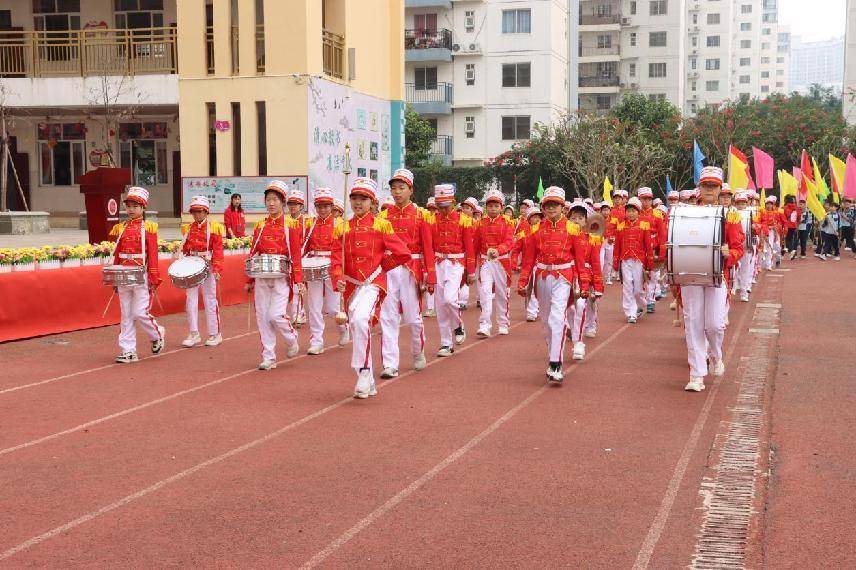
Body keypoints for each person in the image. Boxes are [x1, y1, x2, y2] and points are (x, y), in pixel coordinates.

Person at [331, 178, 412, 398]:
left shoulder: (381, 225)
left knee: (360, 321)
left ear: (372, 201)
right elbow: (336, 259)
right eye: (354, 198)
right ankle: (367, 378)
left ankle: (365, 373)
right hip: (351, 287)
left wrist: (384, 266)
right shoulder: (343, 228)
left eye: (363, 199)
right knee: (358, 326)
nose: (358, 202)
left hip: (373, 284)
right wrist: (337, 276)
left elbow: (403, 253)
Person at [517, 186, 590, 383]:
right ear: (543, 207)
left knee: (557, 317)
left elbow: (580, 260)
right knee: (546, 321)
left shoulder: (573, 229)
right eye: (548, 205)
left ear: (562, 207)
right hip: (542, 276)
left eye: (555, 205)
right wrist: (523, 281)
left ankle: (556, 363)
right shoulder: (535, 229)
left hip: (564, 276)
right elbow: (528, 260)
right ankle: (553, 354)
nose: (551, 208)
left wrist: (584, 283)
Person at [682, 166, 745, 393]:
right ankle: (696, 374)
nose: (709, 189)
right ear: (699, 188)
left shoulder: (731, 215)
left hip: (718, 274)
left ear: (720, 188)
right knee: (693, 324)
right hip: (690, 274)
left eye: (714, 186)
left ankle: (716, 355)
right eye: (705, 185)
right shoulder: (686, 213)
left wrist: (731, 253)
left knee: (714, 325)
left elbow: (739, 246)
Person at [378, 169, 436, 378]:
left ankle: (417, 350)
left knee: (412, 318)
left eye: (401, 188)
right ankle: (389, 363)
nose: (397, 192)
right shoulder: (383, 216)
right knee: (388, 317)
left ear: (411, 189)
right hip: (389, 268)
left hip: (412, 269)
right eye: (394, 188)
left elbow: (428, 248)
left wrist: (431, 276)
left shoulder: (422, 215)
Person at [246, 180, 305, 370]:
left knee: (276, 314)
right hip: (262, 276)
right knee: (263, 317)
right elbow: (253, 252)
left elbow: (296, 255)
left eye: (275, 200)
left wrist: (298, 280)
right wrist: (248, 279)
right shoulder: (260, 226)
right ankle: (269, 356)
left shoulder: (291, 225)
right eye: (268, 199)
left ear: (282, 202)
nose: (271, 203)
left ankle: (291, 338)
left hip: (281, 277)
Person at [108, 186, 165, 363]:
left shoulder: (149, 227)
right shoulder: (121, 228)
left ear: (143, 208)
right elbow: (117, 253)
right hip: (124, 274)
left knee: (140, 312)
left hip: (141, 274)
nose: (131, 210)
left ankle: (156, 334)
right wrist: (114, 276)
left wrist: (154, 277)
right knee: (126, 313)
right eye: (129, 206)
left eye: (135, 206)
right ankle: (128, 349)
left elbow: (153, 254)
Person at [431, 184, 477, 357]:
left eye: (446, 205)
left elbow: (469, 247)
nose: (443, 209)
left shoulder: (464, 220)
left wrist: (471, 271)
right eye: (439, 205)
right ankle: (445, 343)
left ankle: (458, 325)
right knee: (440, 304)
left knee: (450, 299)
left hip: (456, 262)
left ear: (453, 202)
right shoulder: (432, 219)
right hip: (437, 262)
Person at [304, 187, 350, 355]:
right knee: (314, 305)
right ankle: (316, 341)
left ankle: (344, 326)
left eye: (326, 206)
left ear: (331, 206)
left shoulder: (340, 224)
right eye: (319, 206)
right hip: (313, 265)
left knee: (332, 307)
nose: (322, 209)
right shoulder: (310, 223)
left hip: (333, 266)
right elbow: (305, 246)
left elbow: (345, 249)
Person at [180, 195, 225, 348]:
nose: (197, 215)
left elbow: (218, 250)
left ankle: (215, 333)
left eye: (199, 211)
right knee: (190, 298)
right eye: (194, 212)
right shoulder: (188, 228)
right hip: (192, 265)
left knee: (209, 298)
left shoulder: (215, 227)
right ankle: (194, 333)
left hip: (207, 266)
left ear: (206, 212)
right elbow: (185, 248)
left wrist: (217, 268)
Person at [474, 189, 515, 338]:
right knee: (485, 292)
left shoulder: (507, 223)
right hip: (485, 262)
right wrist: (471, 266)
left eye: (496, 206)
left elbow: (510, 242)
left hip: (502, 262)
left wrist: (499, 250)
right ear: (486, 207)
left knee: (502, 294)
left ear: (501, 207)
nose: (493, 208)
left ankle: (503, 323)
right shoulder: (480, 223)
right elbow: (476, 245)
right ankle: (485, 324)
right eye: (490, 206)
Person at [566, 201, 604, 360]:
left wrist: (598, 286)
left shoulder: (592, 239)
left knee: (583, 305)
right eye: (573, 218)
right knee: (568, 308)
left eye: (580, 218)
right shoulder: (564, 237)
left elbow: (595, 264)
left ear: (587, 221)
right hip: (567, 276)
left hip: (585, 278)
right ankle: (571, 329)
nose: (576, 221)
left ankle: (579, 342)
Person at [612, 197, 652, 324]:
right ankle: (630, 313)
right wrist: (615, 261)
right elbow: (617, 246)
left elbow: (648, 245)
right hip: (625, 260)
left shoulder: (644, 225)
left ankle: (641, 303)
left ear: (638, 212)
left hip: (639, 260)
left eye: (633, 211)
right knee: (627, 286)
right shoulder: (621, 226)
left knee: (638, 289)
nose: (630, 213)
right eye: (628, 211)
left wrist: (649, 262)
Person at [637, 187, 666, 312]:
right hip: (639, 251)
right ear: (639, 199)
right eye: (643, 199)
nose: (646, 201)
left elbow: (662, 234)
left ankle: (650, 301)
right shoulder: (634, 213)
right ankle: (640, 302)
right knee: (639, 278)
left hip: (653, 249)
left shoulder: (657, 214)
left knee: (653, 277)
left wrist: (662, 252)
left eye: (649, 199)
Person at [514, 207, 544, 322]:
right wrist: (514, 263)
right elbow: (516, 250)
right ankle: (531, 310)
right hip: (527, 265)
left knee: (540, 288)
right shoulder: (523, 234)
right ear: (529, 219)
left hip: (541, 264)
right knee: (529, 288)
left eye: (538, 217)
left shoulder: (544, 232)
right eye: (533, 217)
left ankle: (533, 310)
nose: (536, 219)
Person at [732, 192, 756, 302]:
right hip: (734, 246)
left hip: (746, 246)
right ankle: (734, 286)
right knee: (734, 268)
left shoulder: (751, 213)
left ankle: (744, 291)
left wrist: (755, 227)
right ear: (735, 203)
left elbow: (755, 231)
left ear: (747, 203)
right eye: (738, 203)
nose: (741, 205)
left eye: (743, 203)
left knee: (745, 269)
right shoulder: (731, 213)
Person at [600, 202, 615, 285]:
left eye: (607, 210)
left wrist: (614, 238)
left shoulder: (614, 220)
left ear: (610, 211)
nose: (605, 212)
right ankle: (600, 277)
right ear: (601, 211)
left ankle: (608, 278)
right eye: (604, 210)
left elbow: (617, 230)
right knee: (601, 261)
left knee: (609, 261)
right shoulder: (598, 219)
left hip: (610, 242)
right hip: (601, 242)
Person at [782, 195, 801, 259]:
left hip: (785, 225)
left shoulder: (784, 208)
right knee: (790, 239)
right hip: (793, 226)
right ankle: (789, 251)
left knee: (784, 240)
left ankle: (790, 251)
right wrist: (797, 224)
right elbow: (799, 218)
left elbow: (782, 217)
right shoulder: (797, 208)